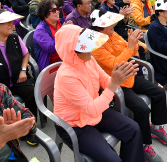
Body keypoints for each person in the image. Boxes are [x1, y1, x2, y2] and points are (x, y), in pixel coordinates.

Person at [53, 24, 145, 162]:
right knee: (112, 159)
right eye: (86, 46)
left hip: (96, 110)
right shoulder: (66, 75)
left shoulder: (89, 59)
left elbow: (105, 80)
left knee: (134, 129)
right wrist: (114, 83)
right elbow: (92, 109)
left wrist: (118, 78)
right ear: (72, 51)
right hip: (75, 124)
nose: (92, 48)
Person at [91, 9, 167, 161]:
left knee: (159, 93)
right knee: (142, 109)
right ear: (100, 25)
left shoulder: (112, 34)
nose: (114, 24)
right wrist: (130, 47)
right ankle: (144, 145)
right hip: (115, 84)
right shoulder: (96, 44)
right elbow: (115, 63)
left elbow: (131, 51)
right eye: (110, 22)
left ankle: (155, 128)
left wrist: (133, 44)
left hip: (129, 75)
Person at [0, 9, 38, 146]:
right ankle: (6, 133)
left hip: (18, 79)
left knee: (31, 92)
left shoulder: (15, 38)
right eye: (6, 22)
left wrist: (23, 70)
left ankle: (30, 128)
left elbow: (25, 54)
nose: (11, 24)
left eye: (11, 21)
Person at [33, 0, 71, 71]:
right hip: (51, 65)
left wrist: (71, 31)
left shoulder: (61, 21)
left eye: (57, 9)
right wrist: (63, 31)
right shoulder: (40, 30)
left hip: (66, 60)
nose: (57, 12)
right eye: (54, 10)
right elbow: (51, 49)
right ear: (45, 13)